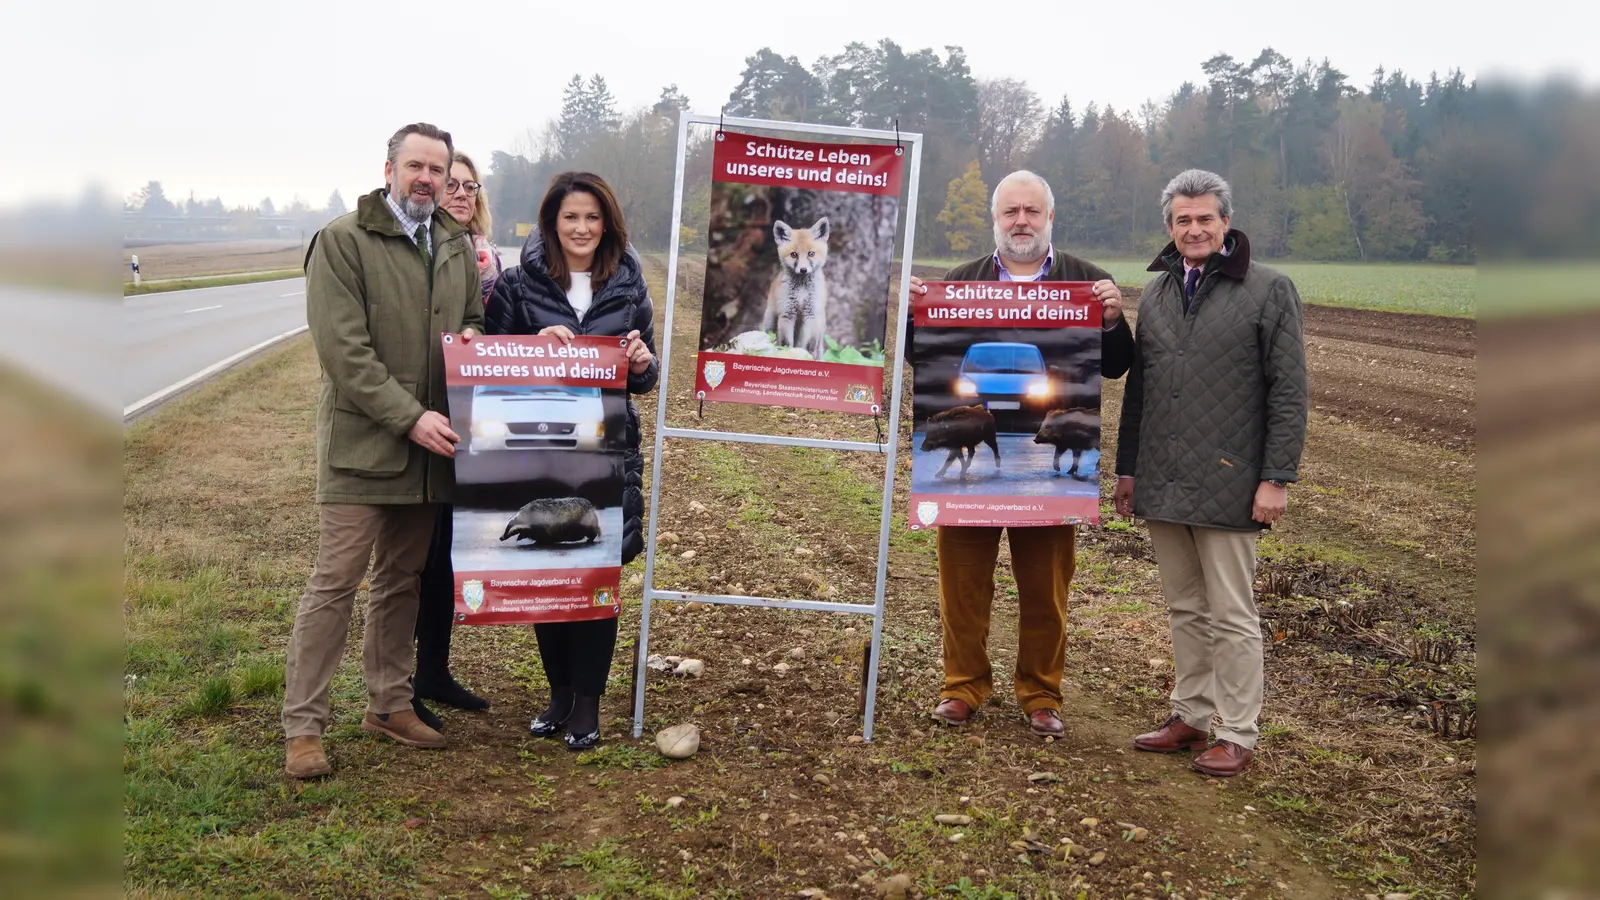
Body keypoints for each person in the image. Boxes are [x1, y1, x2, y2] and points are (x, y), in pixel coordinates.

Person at [281, 123, 485, 779]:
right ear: (390, 168)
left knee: (402, 581)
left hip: (429, 454)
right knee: (336, 583)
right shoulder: (343, 241)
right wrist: (410, 417)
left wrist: (476, 355)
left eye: (439, 169)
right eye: (417, 166)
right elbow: (345, 354)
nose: (428, 178)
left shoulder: (454, 244)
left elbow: (473, 321)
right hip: (362, 450)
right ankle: (303, 729)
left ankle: (389, 703)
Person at [908, 170, 1134, 738]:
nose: (1021, 221)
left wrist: (1111, 320)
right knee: (961, 583)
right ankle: (962, 687)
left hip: (1052, 496)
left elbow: (1114, 365)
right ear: (995, 220)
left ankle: (1041, 694)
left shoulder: (1088, 280)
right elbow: (924, 361)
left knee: (1046, 586)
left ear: (1050, 218)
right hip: (970, 491)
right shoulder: (959, 282)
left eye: (1032, 211)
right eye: (1011, 212)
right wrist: (916, 317)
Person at [1114, 169, 1307, 777]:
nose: (1193, 229)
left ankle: (1236, 730)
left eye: (1204, 219)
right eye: (1182, 220)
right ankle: (1192, 714)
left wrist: (1276, 476)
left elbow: (1289, 391)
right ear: (1169, 227)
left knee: (1231, 611)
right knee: (1184, 607)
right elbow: (1140, 390)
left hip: (1231, 477)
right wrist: (1129, 469)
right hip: (1163, 474)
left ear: (1225, 222)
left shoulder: (1270, 290)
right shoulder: (1160, 292)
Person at [485, 171, 658, 750]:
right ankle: (558, 693)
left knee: (596, 574)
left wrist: (638, 362)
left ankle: (588, 703)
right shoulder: (517, 286)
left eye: (591, 217)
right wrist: (533, 348)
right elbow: (487, 362)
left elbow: (648, 375)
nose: (581, 228)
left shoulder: (630, 286)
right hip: (538, 450)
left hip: (608, 451)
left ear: (606, 224)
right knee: (548, 573)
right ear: (551, 224)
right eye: (570, 218)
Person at [409, 150, 502, 730]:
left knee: (450, 556)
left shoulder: (491, 260)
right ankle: (406, 678)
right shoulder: (424, 252)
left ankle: (435, 670)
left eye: (471, 186)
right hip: (431, 417)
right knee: (418, 557)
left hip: (481, 419)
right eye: (453, 184)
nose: (462, 194)